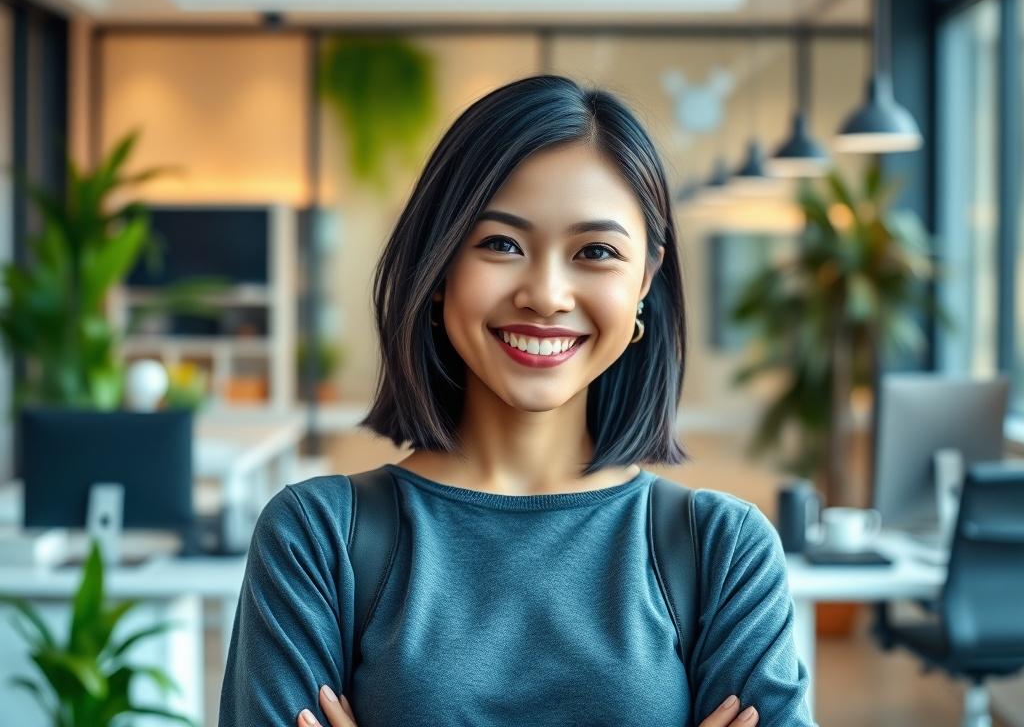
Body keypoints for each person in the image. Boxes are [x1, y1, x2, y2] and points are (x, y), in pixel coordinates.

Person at [218, 75, 814, 727]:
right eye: (501, 244)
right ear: (441, 265)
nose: (546, 293)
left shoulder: (722, 551)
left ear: (645, 279)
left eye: (596, 251)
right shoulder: (318, 538)